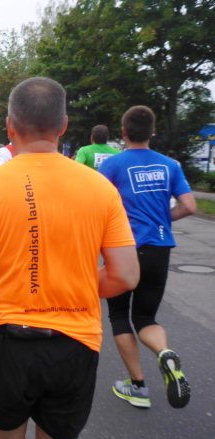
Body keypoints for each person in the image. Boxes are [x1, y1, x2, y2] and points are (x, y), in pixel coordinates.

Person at [0, 77, 139, 439]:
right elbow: (126, 275)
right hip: (75, 341)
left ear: (9, 126)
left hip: (7, 341)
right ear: (63, 126)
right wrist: (73, 283)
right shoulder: (101, 188)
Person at [98, 105, 196, 409]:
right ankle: (164, 353)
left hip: (123, 249)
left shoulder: (113, 165)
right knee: (145, 318)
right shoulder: (170, 165)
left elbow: (96, 206)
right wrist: (164, 220)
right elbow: (189, 206)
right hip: (159, 249)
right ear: (153, 132)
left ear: (123, 132)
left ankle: (138, 386)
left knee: (119, 316)